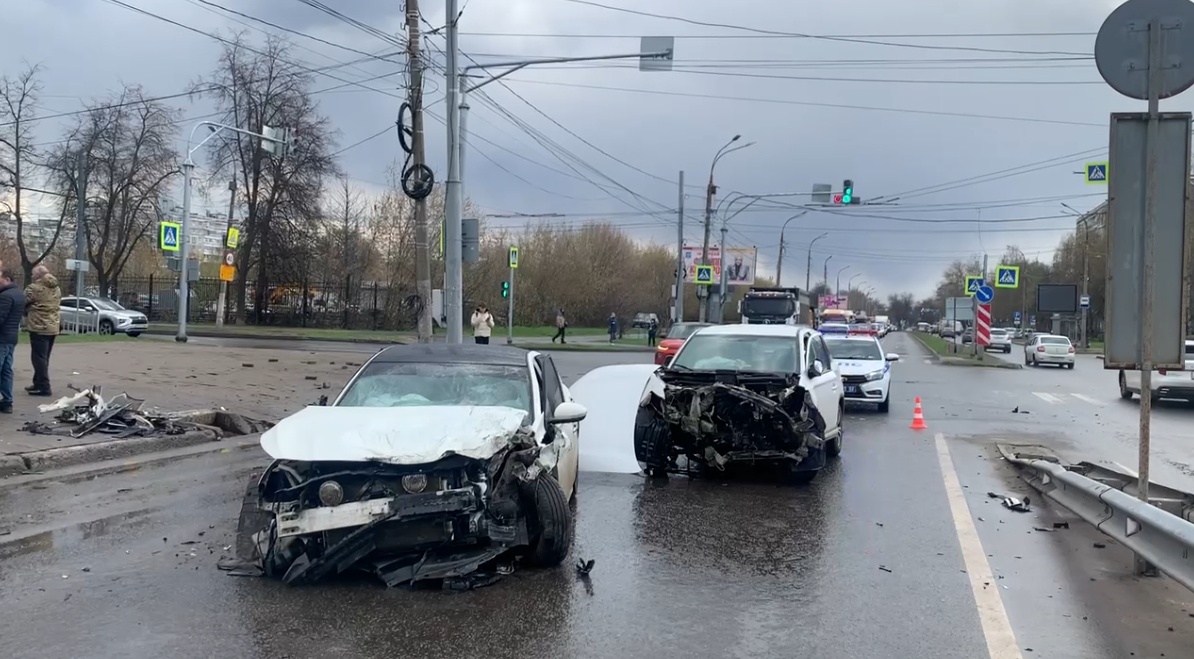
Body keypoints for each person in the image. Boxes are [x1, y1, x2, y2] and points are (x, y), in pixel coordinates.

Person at [24, 264, 60, 396]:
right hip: (53, 326)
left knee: (38, 358)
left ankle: (44, 387)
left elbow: (23, 302)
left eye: (33, 274)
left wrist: (28, 311)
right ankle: (37, 382)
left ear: (38, 275)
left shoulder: (33, 288)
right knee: (44, 358)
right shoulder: (56, 288)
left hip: (38, 326)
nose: (32, 277)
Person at [0, 269, 26, 414]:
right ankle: (7, 401)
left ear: (7, 279)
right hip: (11, 338)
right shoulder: (19, 294)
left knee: (3, 369)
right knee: (6, 370)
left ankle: (7, 401)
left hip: (2, 338)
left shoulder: (5, 296)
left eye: (0, 279)